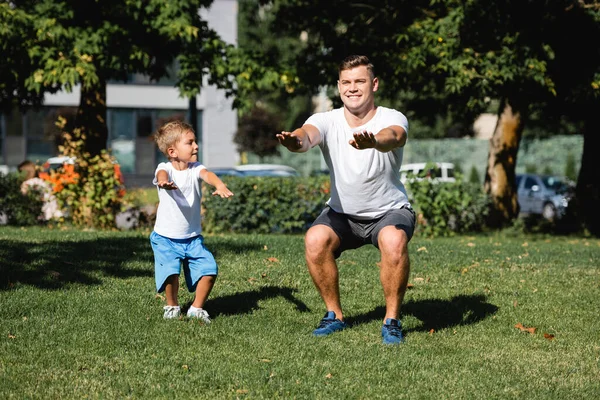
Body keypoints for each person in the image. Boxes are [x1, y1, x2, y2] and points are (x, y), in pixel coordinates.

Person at [277, 55, 415, 344]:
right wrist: (295, 141)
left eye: (360, 81)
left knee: (393, 241)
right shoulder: (326, 119)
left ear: (374, 84)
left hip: (389, 211)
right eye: (346, 82)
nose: (353, 88)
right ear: (339, 86)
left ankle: (391, 321)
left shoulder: (391, 116)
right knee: (315, 239)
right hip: (343, 214)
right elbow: (307, 136)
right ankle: (334, 315)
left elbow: (395, 136)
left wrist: (376, 141)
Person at [151, 120, 233, 321]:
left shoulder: (195, 168)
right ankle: (172, 306)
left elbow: (208, 175)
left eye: (195, 142)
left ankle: (196, 308)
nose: (196, 146)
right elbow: (161, 173)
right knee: (170, 273)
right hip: (165, 238)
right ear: (172, 151)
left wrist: (220, 185)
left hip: (193, 238)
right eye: (190, 142)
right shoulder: (165, 169)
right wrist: (162, 182)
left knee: (209, 270)